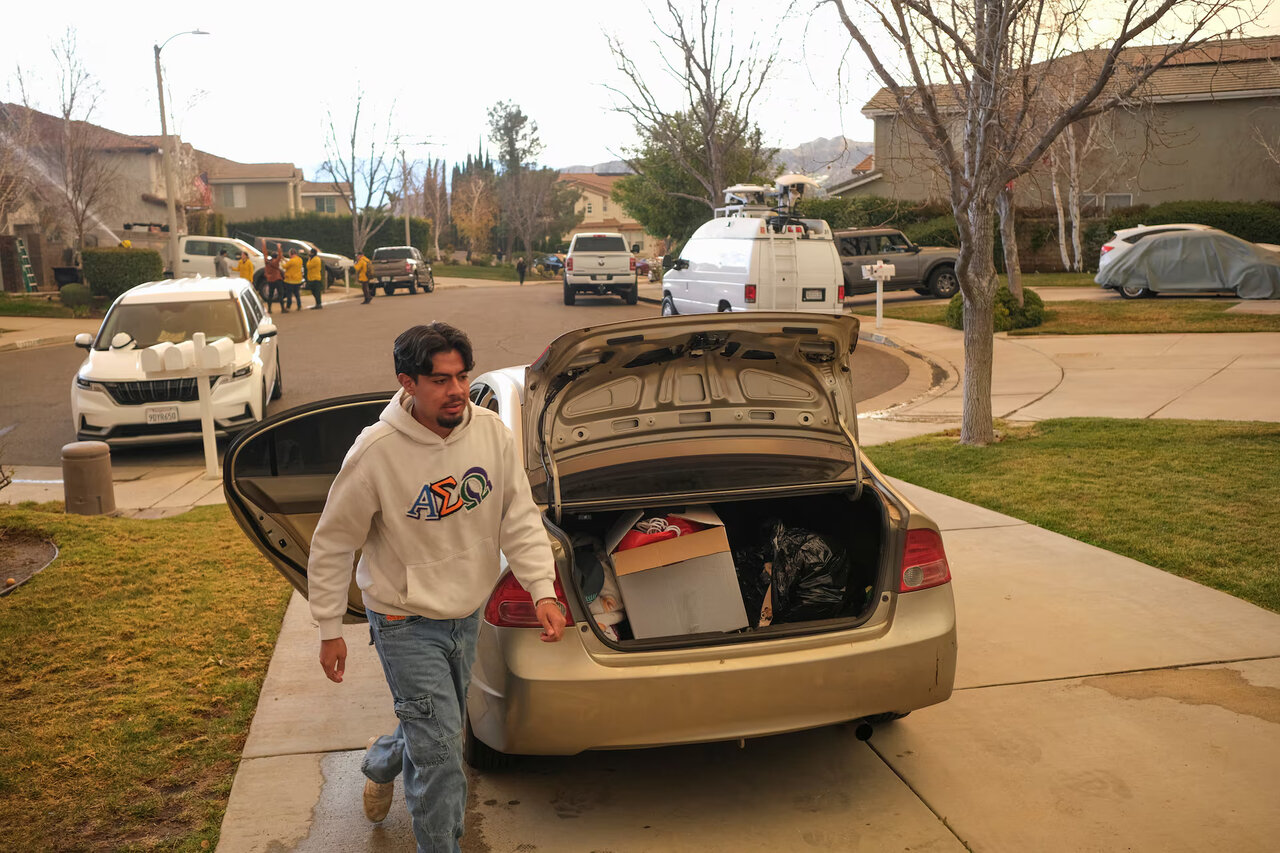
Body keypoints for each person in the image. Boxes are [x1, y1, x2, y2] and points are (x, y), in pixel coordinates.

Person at [307, 322, 565, 851]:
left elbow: (517, 516)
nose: (455, 390)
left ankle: (381, 761)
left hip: (465, 614)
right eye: (440, 379)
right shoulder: (376, 452)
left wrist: (541, 588)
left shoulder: (492, 433)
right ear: (407, 382)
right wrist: (329, 626)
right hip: (404, 621)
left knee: (434, 727)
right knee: (443, 754)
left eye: (462, 376)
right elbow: (334, 542)